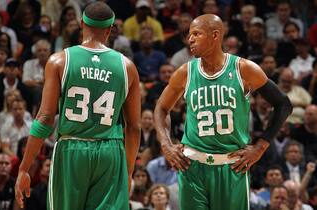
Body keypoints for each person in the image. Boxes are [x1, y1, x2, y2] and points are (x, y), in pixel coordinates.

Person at [154, 14, 292, 210]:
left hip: (231, 167)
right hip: (192, 166)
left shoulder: (243, 69)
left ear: (215, 35)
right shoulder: (185, 72)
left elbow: (283, 104)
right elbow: (161, 108)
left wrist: (260, 147)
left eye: (196, 34)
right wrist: (166, 144)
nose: (189, 39)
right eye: (189, 34)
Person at [15, 2, 140, 210]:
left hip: (72, 149)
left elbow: (45, 119)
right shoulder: (127, 67)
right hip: (110, 151)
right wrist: (127, 172)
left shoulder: (59, 61)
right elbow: (134, 127)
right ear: (110, 30)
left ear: (81, 24)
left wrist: (24, 168)